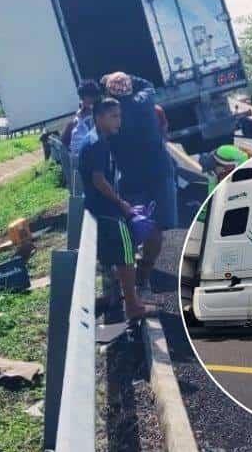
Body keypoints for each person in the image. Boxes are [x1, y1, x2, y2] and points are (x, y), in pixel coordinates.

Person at [101, 71, 177, 288]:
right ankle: (144, 272)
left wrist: (107, 82)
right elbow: (147, 83)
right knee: (157, 228)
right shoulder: (146, 103)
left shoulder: (111, 116)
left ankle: (127, 275)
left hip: (132, 178)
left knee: (132, 225)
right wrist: (127, 78)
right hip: (159, 172)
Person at [78, 98, 151, 320]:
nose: (119, 120)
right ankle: (133, 306)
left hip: (100, 210)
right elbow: (99, 180)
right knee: (126, 257)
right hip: (108, 211)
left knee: (116, 258)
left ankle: (123, 300)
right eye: (114, 116)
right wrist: (121, 204)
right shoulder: (97, 143)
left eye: (119, 115)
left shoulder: (97, 139)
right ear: (99, 117)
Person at [61, 80, 100, 156]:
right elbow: (64, 140)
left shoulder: (99, 114)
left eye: (91, 96)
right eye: (83, 97)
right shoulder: (78, 116)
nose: (85, 100)